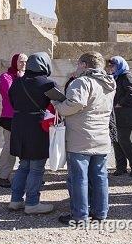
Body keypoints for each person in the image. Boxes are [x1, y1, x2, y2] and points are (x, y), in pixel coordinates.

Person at [54, 52, 117, 224]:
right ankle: (100, 213)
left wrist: (58, 106)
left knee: (79, 178)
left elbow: (75, 103)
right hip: (101, 136)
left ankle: (80, 215)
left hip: (80, 137)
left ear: (83, 64)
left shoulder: (81, 82)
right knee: (100, 177)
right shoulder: (110, 83)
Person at [8, 52, 56, 215]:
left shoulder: (17, 82)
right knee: (36, 167)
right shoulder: (47, 84)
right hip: (37, 128)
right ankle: (32, 203)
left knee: (23, 165)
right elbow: (58, 105)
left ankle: (15, 200)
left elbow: (13, 101)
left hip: (19, 125)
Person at [0, 53, 28, 188]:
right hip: (10, 117)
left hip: (25, 117)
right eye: (21, 61)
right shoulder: (6, 77)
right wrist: (21, 80)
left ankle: (28, 176)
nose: (24, 64)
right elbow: (10, 94)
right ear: (15, 62)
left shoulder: (26, 77)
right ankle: (2, 176)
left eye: (26, 62)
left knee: (26, 148)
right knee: (9, 147)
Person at [107, 56, 132, 177]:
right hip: (117, 114)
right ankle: (121, 167)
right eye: (110, 65)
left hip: (126, 114)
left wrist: (120, 103)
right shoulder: (116, 77)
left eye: (113, 65)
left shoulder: (126, 75)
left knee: (123, 140)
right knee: (116, 140)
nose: (111, 67)